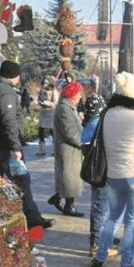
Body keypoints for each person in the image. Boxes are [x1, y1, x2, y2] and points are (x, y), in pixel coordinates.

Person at [91, 72, 134, 267]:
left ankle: (100, 256)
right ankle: (126, 264)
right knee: (132, 221)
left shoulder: (107, 114)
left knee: (113, 217)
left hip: (113, 175)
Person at [0, 60, 54, 230]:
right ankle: (33, 221)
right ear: (14, 76)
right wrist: (15, 146)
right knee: (22, 181)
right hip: (7, 146)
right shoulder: (5, 91)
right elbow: (9, 120)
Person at [81, 89, 120, 258]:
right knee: (101, 207)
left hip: (94, 172)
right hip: (102, 172)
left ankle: (102, 239)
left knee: (99, 206)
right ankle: (97, 245)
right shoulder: (100, 124)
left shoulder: (88, 124)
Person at [48, 81, 84, 218]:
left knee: (70, 178)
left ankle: (58, 199)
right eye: (79, 94)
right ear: (73, 95)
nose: (80, 97)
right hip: (68, 149)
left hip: (71, 150)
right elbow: (70, 133)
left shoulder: (69, 107)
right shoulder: (64, 109)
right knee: (70, 179)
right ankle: (69, 206)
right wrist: (84, 144)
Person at [35, 76, 58, 157]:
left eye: (46, 83)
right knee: (40, 131)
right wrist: (39, 102)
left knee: (52, 132)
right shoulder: (41, 90)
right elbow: (38, 99)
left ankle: (56, 150)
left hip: (51, 113)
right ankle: (42, 150)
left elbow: (55, 103)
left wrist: (45, 102)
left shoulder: (54, 91)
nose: (44, 85)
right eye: (43, 83)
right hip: (43, 113)